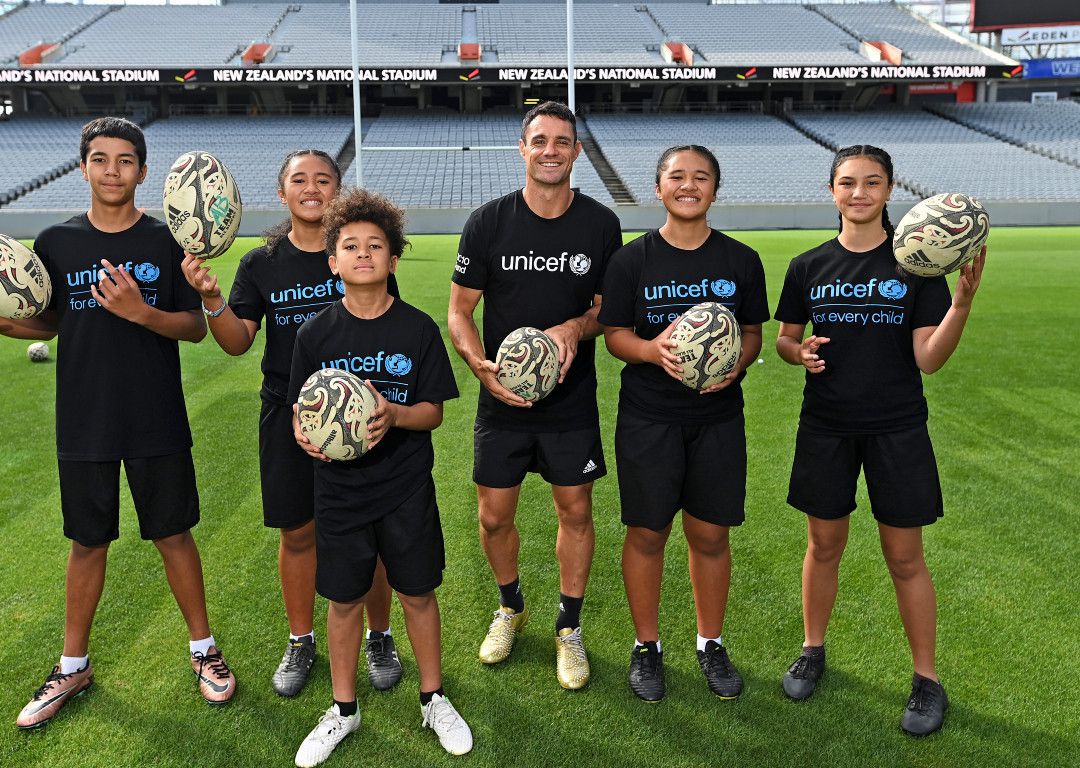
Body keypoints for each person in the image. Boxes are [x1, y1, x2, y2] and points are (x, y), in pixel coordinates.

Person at [4, 117, 236, 729]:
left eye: (126, 160)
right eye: (100, 159)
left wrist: (140, 312)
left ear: (142, 170)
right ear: (83, 168)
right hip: (84, 417)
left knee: (173, 534)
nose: (112, 171)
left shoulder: (165, 242)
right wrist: (7, 323)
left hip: (154, 414)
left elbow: (192, 327)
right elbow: (52, 321)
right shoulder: (55, 241)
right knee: (88, 541)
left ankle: (203, 651)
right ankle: (72, 664)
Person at [773, 145, 986, 736]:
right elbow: (785, 341)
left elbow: (929, 359)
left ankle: (926, 679)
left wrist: (961, 304)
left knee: (905, 556)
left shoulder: (917, 267)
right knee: (823, 545)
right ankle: (813, 649)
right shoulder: (808, 265)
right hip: (827, 427)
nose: (859, 193)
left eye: (872, 183)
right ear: (832, 190)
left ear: (890, 190)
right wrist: (800, 352)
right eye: (848, 183)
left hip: (897, 428)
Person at [181, 150, 402, 697]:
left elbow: (385, 328)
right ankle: (301, 640)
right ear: (282, 195)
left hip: (360, 417)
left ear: (338, 191)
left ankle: (380, 635)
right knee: (298, 533)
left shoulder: (355, 251)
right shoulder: (262, 264)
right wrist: (212, 301)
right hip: (288, 414)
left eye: (323, 179)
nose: (311, 188)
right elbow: (237, 342)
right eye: (298, 180)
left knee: (369, 532)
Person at [288, 188, 471, 765]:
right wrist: (305, 432)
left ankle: (433, 697)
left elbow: (434, 412)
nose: (363, 254)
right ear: (332, 261)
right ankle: (343, 708)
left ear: (393, 260)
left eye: (375, 245)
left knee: (417, 591)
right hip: (340, 494)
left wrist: (392, 415)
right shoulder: (315, 335)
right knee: (343, 602)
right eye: (350, 246)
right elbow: (302, 414)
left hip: (405, 487)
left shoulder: (416, 330)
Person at [447, 101, 622, 689]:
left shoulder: (600, 224)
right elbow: (460, 310)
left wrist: (575, 327)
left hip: (570, 404)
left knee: (575, 511)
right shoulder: (489, 222)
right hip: (502, 400)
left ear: (576, 152)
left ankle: (568, 628)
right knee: (494, 517)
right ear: (522, 149)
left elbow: (607, 311)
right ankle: (511, 606)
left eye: (563, 141)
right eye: (540, 140)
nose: (551, 150)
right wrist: (477, 364)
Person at [598, 146, 768, 702]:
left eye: (701, 178)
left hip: (718, 418)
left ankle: (710, 642)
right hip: (649, 418)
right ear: (658, 188)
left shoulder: (741, 260)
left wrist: (734, 365)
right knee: (648, 532)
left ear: (715, 190)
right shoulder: (632, 260)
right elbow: (615, 333)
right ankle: (646, 647)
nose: (688, 185)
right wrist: (651, 352)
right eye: (677, 176)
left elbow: (751, 334)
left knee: (711, 533)